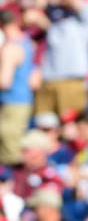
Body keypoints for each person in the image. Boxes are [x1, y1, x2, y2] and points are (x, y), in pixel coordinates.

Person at [0, 10, 34, 165]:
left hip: (11, 104)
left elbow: (4, 81)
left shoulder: (10, 48)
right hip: (24, 101)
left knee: (8, 152)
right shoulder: (27, 43)